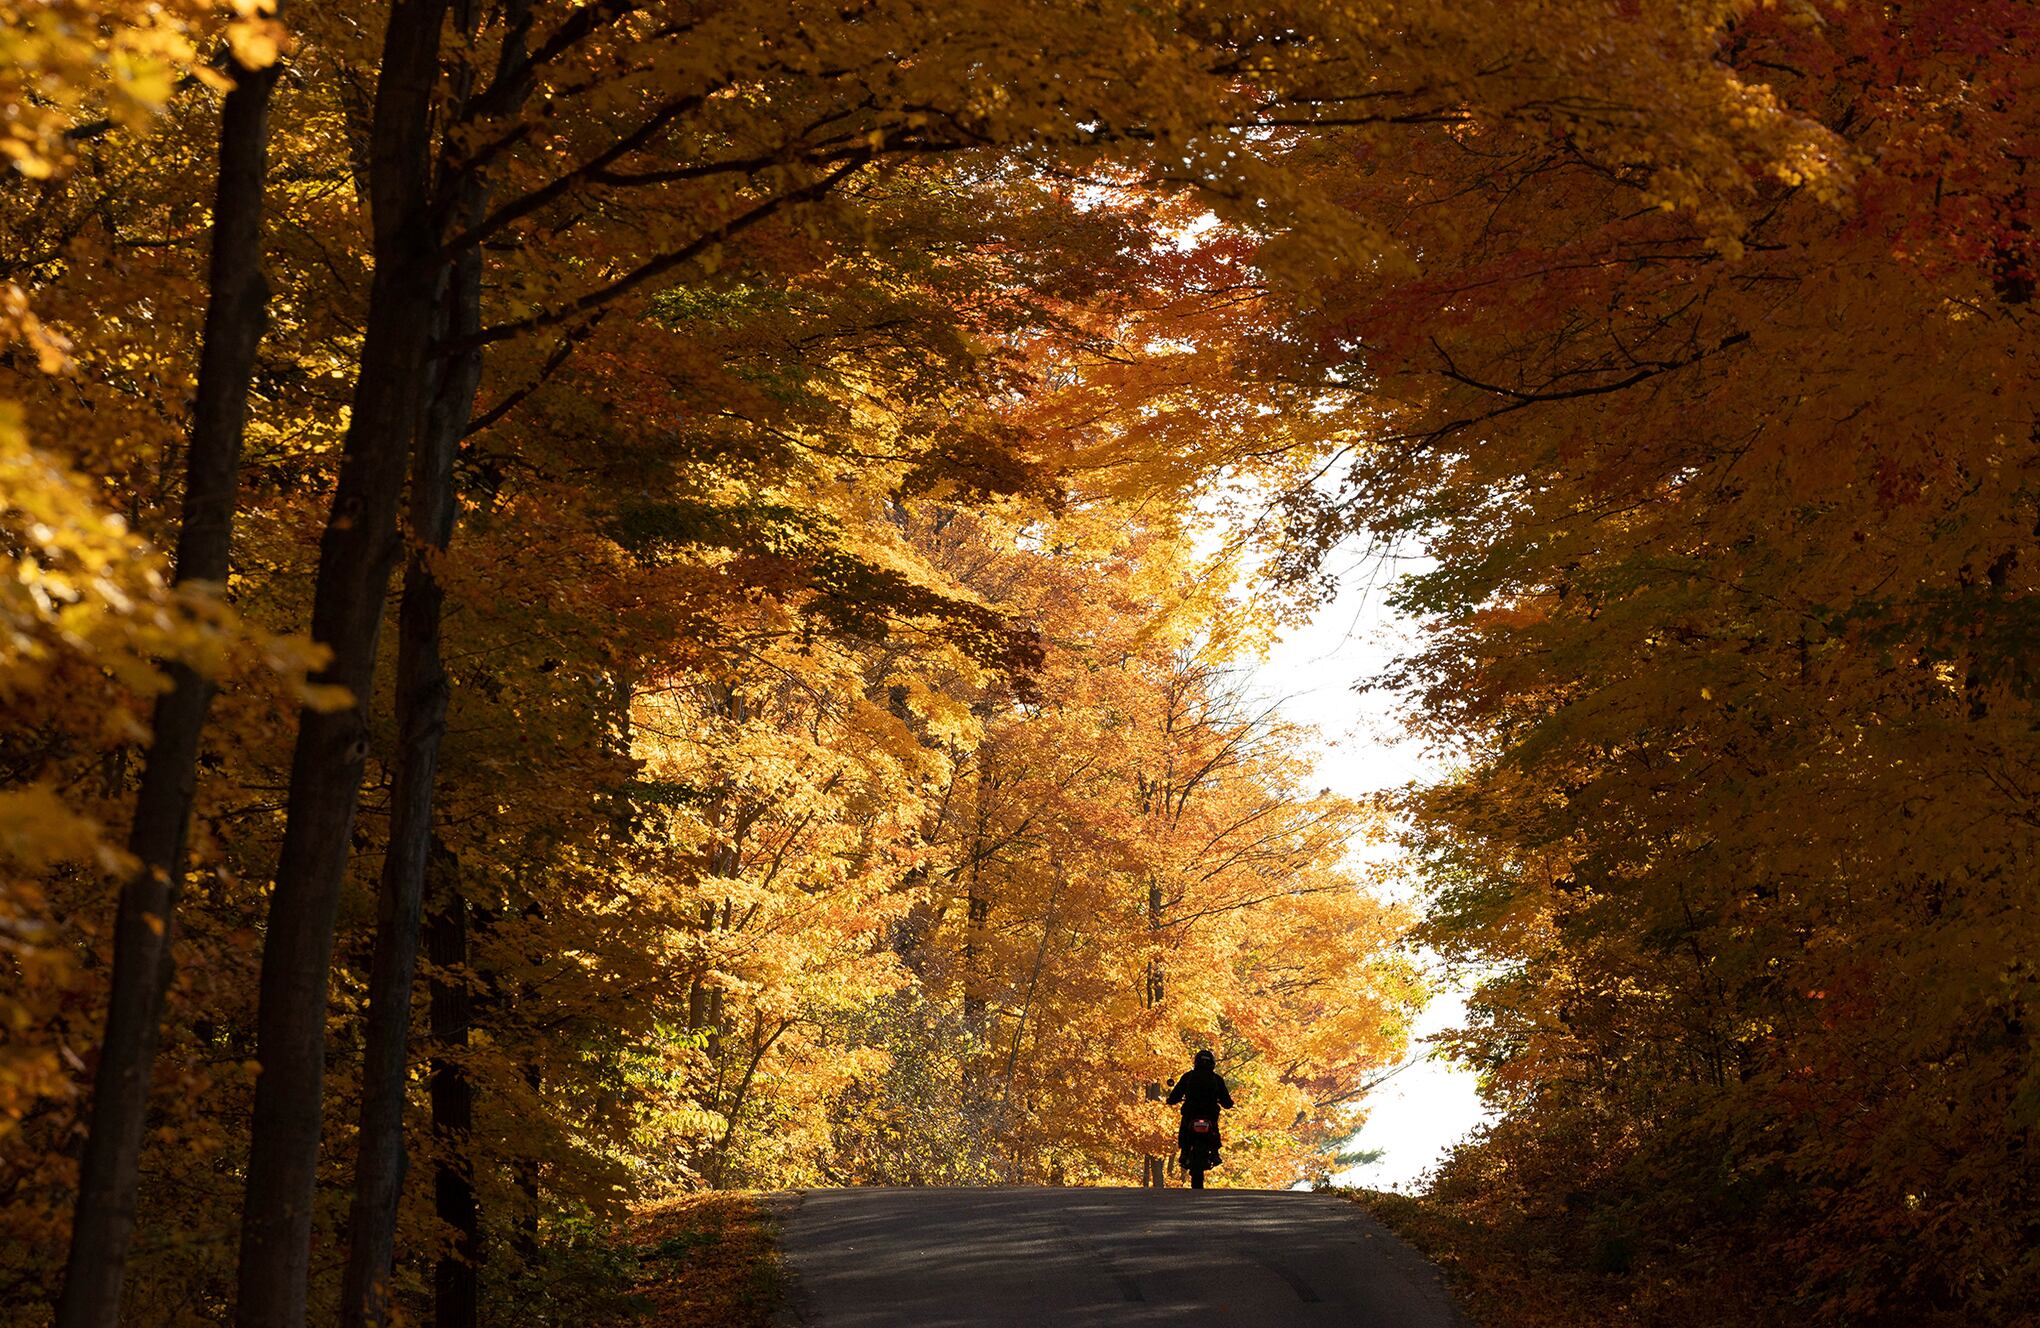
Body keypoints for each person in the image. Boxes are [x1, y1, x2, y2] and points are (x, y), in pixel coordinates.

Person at [1165, 1049, 1233, 1170]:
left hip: (1191, 1112)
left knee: (1185, 1128)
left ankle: (1184, 1152)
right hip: (1210, 1113)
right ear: (1212, 1063)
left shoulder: (1188, 1076)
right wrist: (1228, 1103)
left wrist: (1171, 1100)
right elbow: (1226, 1101)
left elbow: (1176, 1094)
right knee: (1214, 1129)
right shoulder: (1217, 1079)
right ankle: (1215, 1153)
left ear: (1196, 1062)